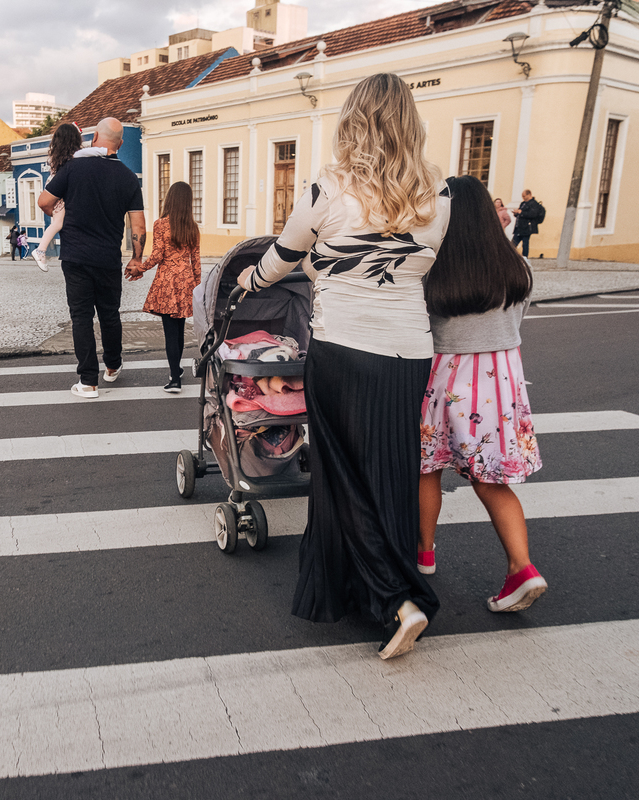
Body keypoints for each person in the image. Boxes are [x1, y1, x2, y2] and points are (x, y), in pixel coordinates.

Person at [236, 73, 448, 660]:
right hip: (409, 352)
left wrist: (250, 280)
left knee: (343, 476)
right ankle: (380, 586)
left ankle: (396, 600)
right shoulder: (440, 193)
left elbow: (280, 260)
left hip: (344, 350)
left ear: (353, 121)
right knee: (390, 471)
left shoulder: (327, 189)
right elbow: (417, 268)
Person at [418, 175, 547, 612]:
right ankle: (522, 568)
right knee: (491, 479)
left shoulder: (432, 271)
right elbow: (516, 325)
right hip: (501, 380)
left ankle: (425, 554)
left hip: (446, 376)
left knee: (427, 469)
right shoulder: (518, 269)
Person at [38, 117, 146, 399]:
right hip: (108, 259)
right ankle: (112, 367)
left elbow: (44, 202)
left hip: (75, 257)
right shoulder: (127, 177)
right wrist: (136, 259)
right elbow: (139, 226)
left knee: (81, 318)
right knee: (110, 315)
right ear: (120, 144)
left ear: (95, 137)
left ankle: (88, 382)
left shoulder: (73, 168)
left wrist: (61, 213)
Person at [129, 181, 201, 393]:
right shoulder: (192, 227)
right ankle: (176, 370)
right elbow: (195, 261)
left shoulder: (160, 224)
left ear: (170, 199)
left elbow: (158, 254)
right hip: (186, 281)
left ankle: (175, 380)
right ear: (188, 202)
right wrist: (198, 288)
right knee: (178, 330)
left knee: (170, 332)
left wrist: (140, 268)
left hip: (167, 281)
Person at [30, 124, 108, 272]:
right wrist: (106, 150)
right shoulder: (75, 155)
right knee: (58, 223)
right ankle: (40, 250)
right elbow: (95, 151)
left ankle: (41, 250)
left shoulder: (57, 157)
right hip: (60, 192)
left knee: (58, 222)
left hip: (55, 188)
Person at [510, 189, 545, 257]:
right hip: (519, 227)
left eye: (524, 196)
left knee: (525, 244)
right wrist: (516, 213)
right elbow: (520, 213)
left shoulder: (534, 204)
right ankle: (509, 256)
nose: (523, 198)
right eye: (522, 196)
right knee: (513, 244)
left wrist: (521, 212)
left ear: (529, 195)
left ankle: (525, 258)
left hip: (527, 227)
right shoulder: (523, 203)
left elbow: (533, 214)